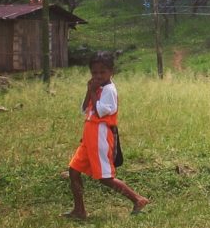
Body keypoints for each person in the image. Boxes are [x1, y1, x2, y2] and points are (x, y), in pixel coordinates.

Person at [64, 52, 149, 219]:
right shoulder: (97, 88)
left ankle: (137, 199)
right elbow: (84, 109)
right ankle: (79, 210)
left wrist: (94, 92)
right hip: (89, 136)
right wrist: (90, 91)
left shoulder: (109, 90)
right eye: (94, 73)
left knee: (105, 178)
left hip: (100, 136)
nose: (98, 76)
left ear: (111, 72)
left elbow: (102, 112)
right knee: (73, 170)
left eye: (102, 72)